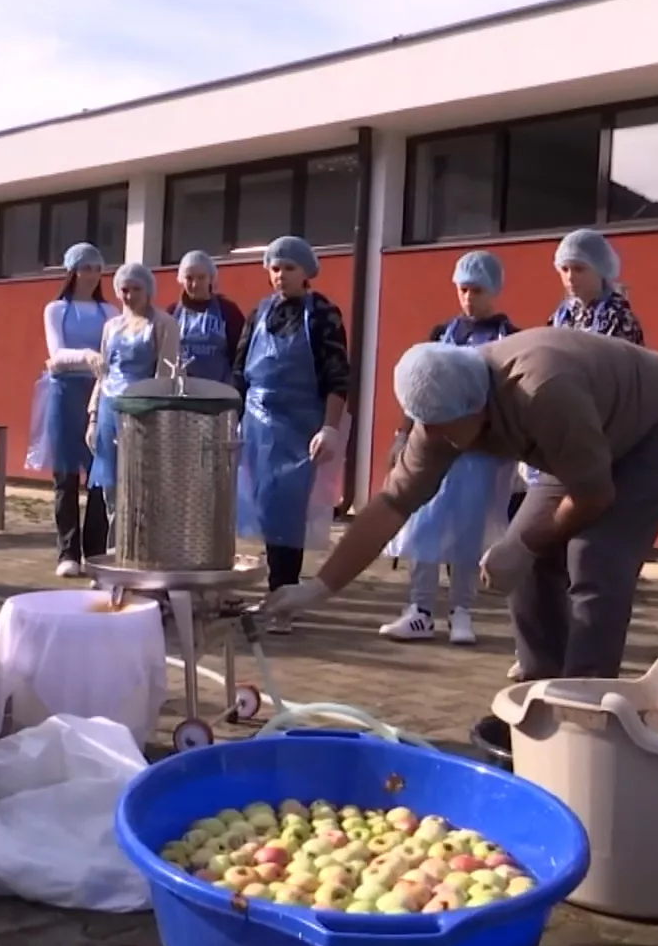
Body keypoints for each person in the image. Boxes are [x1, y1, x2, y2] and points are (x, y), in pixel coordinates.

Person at [263, 327, 658, 681]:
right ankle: (541, 687)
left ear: (477, 405)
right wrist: (318, 588)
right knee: (529, 556)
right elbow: (391, 504)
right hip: (587, 435)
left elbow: (594, 496)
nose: (435, 438)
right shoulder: (440, 412)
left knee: (593, 554)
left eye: (444, 426)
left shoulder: (541, 392)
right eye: (427, 426)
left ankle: (587, 704)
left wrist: (527, 544)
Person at [503, 227, 646, 676]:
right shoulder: (560, 316)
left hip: (601, 445)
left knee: (585, 557)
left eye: (578, 268)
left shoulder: (619, 319)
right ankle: (539, 655)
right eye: (563, 268)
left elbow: (616, 387)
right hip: (555, 447)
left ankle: (583, 667)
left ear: (600, 270)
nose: (569, 277)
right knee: (533, 549)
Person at [380, 250, 520, 646]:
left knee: (467, 530)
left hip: (479, 451)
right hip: (435, 446)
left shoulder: (509, 337)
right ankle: (420, 610)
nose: (468, 298)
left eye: (477, 290)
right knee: (425, 525)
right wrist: (403, 434)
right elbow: (419, 386)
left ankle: (462, 610)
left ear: (494, 290)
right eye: (463, 290)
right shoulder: (442, 333)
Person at [234, 235, 352, 630]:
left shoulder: (322, 315)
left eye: (289, 268)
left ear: (306, 273)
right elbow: (240, 371)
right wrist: (233, 418)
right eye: (275, 268)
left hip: (300, 427)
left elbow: (337, 375)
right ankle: (276, 592)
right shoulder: (259, 312)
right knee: (267, 509)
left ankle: (283, 598)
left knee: (288, 511)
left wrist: (330, 427)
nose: (280, 275)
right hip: (257, 425)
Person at [27, 242, 116, 577]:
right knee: (65, 475)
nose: (92, 275)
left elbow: (115, 352)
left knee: (99, 474)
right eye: (85, 268)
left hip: (100, 394)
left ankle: (95, 551)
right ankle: (68, 552)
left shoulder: (110, 312)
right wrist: (87, 356)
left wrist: (93, 364)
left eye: (97, 268)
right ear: (72, 271)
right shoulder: (55, 310)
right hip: (64, 395)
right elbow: (57, 353)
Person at [88, 262, 182, 502]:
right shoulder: (111, 327)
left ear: (148, 289)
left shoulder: (163, 324)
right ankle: (115, 527)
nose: (129, 296)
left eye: (136, 289)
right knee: (111, 485)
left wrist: (158, 418)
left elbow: (166, 375)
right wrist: (93, 418)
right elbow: (103, 373)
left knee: (141, 483)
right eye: (125, 290)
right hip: (110, 409)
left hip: (143, 411)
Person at [169, 250, 245, 384]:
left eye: (201, 277)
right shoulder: (172, 313)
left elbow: (241, 354)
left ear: (211, 278)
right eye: (189, 278)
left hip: (218, 390)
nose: (195, 284)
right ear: (181, 280)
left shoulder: (228, 310)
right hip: (182, 390)